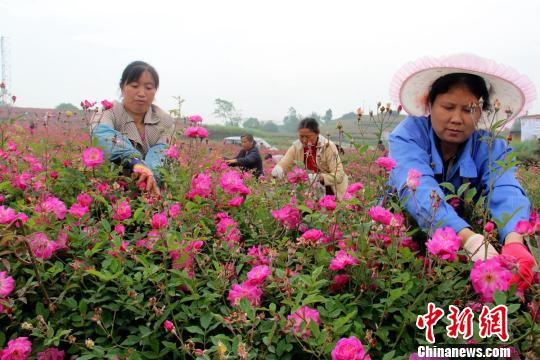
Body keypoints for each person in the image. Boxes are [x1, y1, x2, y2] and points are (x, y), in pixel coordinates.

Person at [388, 53, 536, 290]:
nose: (457, 119)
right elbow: (418, 188)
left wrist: (514, 240)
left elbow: (506, 189)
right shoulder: (408, 135)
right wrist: (469, 239)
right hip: (401, 233)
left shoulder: (490, 147)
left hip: (461, 240)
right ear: (430, 104)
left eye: (469, 109)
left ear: (481, 112)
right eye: (448, 107)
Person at [91, 61, 174, 196]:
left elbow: (161, 152)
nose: (141, 93)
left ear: (155, 90)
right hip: (113, 190)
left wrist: (147, 173)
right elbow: (101, 136)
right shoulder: (109, 112)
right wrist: (134, 161)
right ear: (122, 87)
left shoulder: (164, 120)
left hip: (152, 190)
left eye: (149, 87)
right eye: (134, 86)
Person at [271, 118, 349, 200]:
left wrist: (319, 178)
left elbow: (339, 175)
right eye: (301, 136)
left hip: (330, 191)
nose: (304, 140)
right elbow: (285, 163)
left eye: (308, 137)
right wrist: (278, 170)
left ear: (317, 134)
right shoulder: (296, 147)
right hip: (309, 190)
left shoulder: (328, 147)